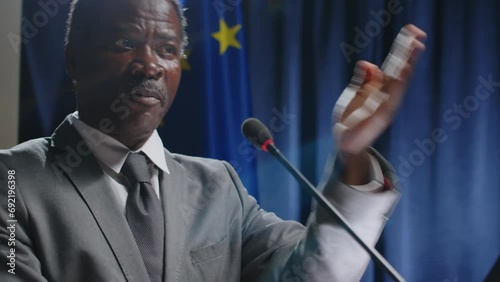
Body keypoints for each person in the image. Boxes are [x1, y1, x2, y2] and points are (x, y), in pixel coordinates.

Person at [0, 0, 426, 281]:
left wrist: (351, 155)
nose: (149, 65)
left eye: (167, 49)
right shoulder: (13, 180)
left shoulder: (218, 185)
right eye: (126, 43)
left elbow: (314, 273)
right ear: (75, 59)